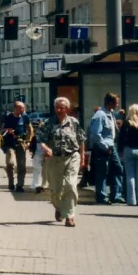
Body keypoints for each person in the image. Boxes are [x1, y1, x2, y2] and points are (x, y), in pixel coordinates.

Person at [37, 97, 86, 228]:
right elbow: (40, 140)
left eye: (62, 108)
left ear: (67, 109)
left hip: (72, 156)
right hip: (54, 159)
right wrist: (46, 148)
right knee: (55, 190)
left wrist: (82, 157)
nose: (59, 110)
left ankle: (69, 216)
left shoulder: (74, 122)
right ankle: (59, 207)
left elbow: (81, 140)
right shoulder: (48, 123)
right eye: (57, 107)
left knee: (70, 185)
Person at [88, 92, 125, 205]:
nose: (118, 104)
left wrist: (119, 115)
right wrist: (105, 147)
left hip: (111, 146)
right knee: (102, 172)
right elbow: (96, 134)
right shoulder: (100, 115)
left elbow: (111, 123)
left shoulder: (110, 113)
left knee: (117, 169)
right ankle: (102, 197)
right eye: (116, 102)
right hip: (103, 147)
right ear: (110, 103)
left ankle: (116, 195)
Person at [118, 103, 138, 207]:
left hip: (129, 149)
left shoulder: (126, 123)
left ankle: (131, 200)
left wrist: (120, 151)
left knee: (130, 175)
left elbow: (121, 138)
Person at [1, 101, 34, 192]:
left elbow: (30, 129)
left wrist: (28, 141)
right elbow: (2, 130)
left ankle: (20, 185)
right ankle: (11, 182)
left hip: (21, 144)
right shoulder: (8, 117)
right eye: (21, 108)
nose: (23, 109)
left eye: (24, 108)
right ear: (15, 108)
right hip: (9, 144)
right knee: (10, 163)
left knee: (21, 165)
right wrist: (7, 131)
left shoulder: (25, 117)